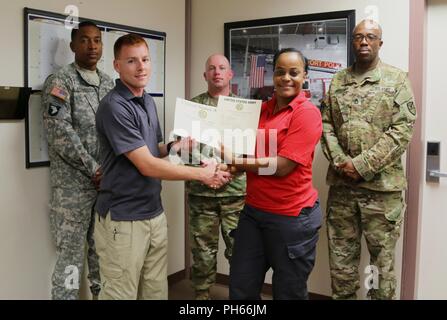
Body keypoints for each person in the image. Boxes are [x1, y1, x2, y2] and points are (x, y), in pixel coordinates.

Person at [94, 33, 231, 300]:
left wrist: (175, 148)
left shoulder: (146, 100)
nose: (141, 66)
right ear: (117, 65)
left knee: (156, 291)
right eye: (131, 61)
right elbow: (146, 165)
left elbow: (153, 149)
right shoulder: (114, 107)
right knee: (120, 293)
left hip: (153, 212)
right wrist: (202, 174)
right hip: (124, 218)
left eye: (145, 59)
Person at [321, 20, 416, 300]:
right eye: (359, 37)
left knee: (381, 270)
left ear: (379, 43)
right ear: (352, 42)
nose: (364, 42)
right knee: (341, 267)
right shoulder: (338, 80)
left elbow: (402, 130)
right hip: (342, 190)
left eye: (371, 37)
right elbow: (326, 125)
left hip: (382, 193)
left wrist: (361, 165)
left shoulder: (397, 79)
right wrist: (341, 162)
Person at [225, 48, 323, 300]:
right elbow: (248, 154)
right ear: (273, 75)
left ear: (305, 76)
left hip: (291, 218)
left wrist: (235, 161)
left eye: (294, 72)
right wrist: (230, 168)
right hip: (254, 213)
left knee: (288, 292)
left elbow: (282, 167)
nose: (286, 78)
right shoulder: (260, 110)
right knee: (240, 288)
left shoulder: (307, 113)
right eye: (280, 72)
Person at [42, 21, 114, 300]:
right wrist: (94, 168)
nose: (92, 46)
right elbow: (60, 133)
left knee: (103, 255)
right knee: (71, 261)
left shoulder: (108, 82)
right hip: (73, 191)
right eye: (85, 40)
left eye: (97, 40)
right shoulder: (61, 82)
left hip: (106, 186)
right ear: (73, 46)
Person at [186, 54, 246, 300]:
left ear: (230, 74)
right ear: (205, 75)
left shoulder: (243, 108)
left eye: (222, 68)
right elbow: (182, 147)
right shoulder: (193, 107)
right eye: (211, 68)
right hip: (202, 194)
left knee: (240, 251)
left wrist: (226, 170)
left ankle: (240, 298)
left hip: (235, 193)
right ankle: (201, 296)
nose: (217, 72)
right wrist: (208, 168)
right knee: (203, 252)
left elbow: (248, 150)